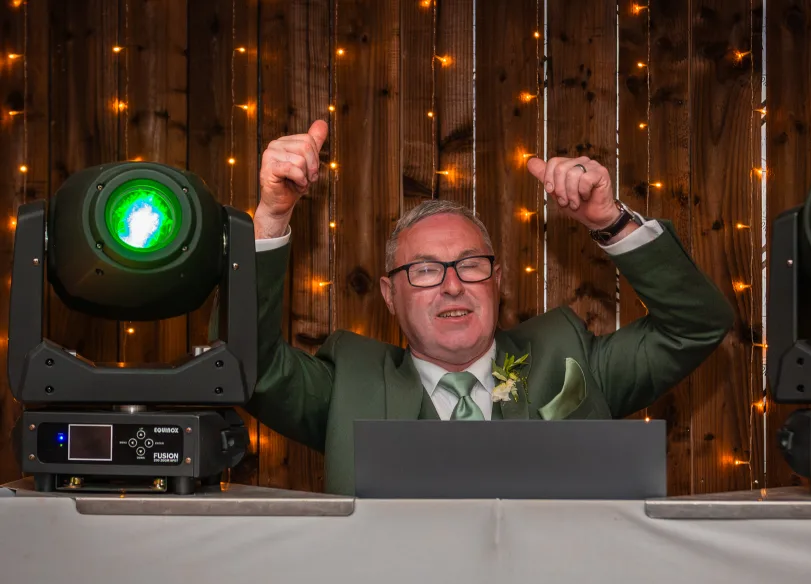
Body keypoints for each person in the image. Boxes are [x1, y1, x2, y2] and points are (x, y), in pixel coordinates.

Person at [246, 120, 733, 494]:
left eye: (470, 265)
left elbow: (695, 326)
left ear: (497, 281)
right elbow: (251, 367)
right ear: (390, 295)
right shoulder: (349, 382)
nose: (452, 286)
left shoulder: (569, 353)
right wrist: (271, 217)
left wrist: (610, 221)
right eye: (425, 270)